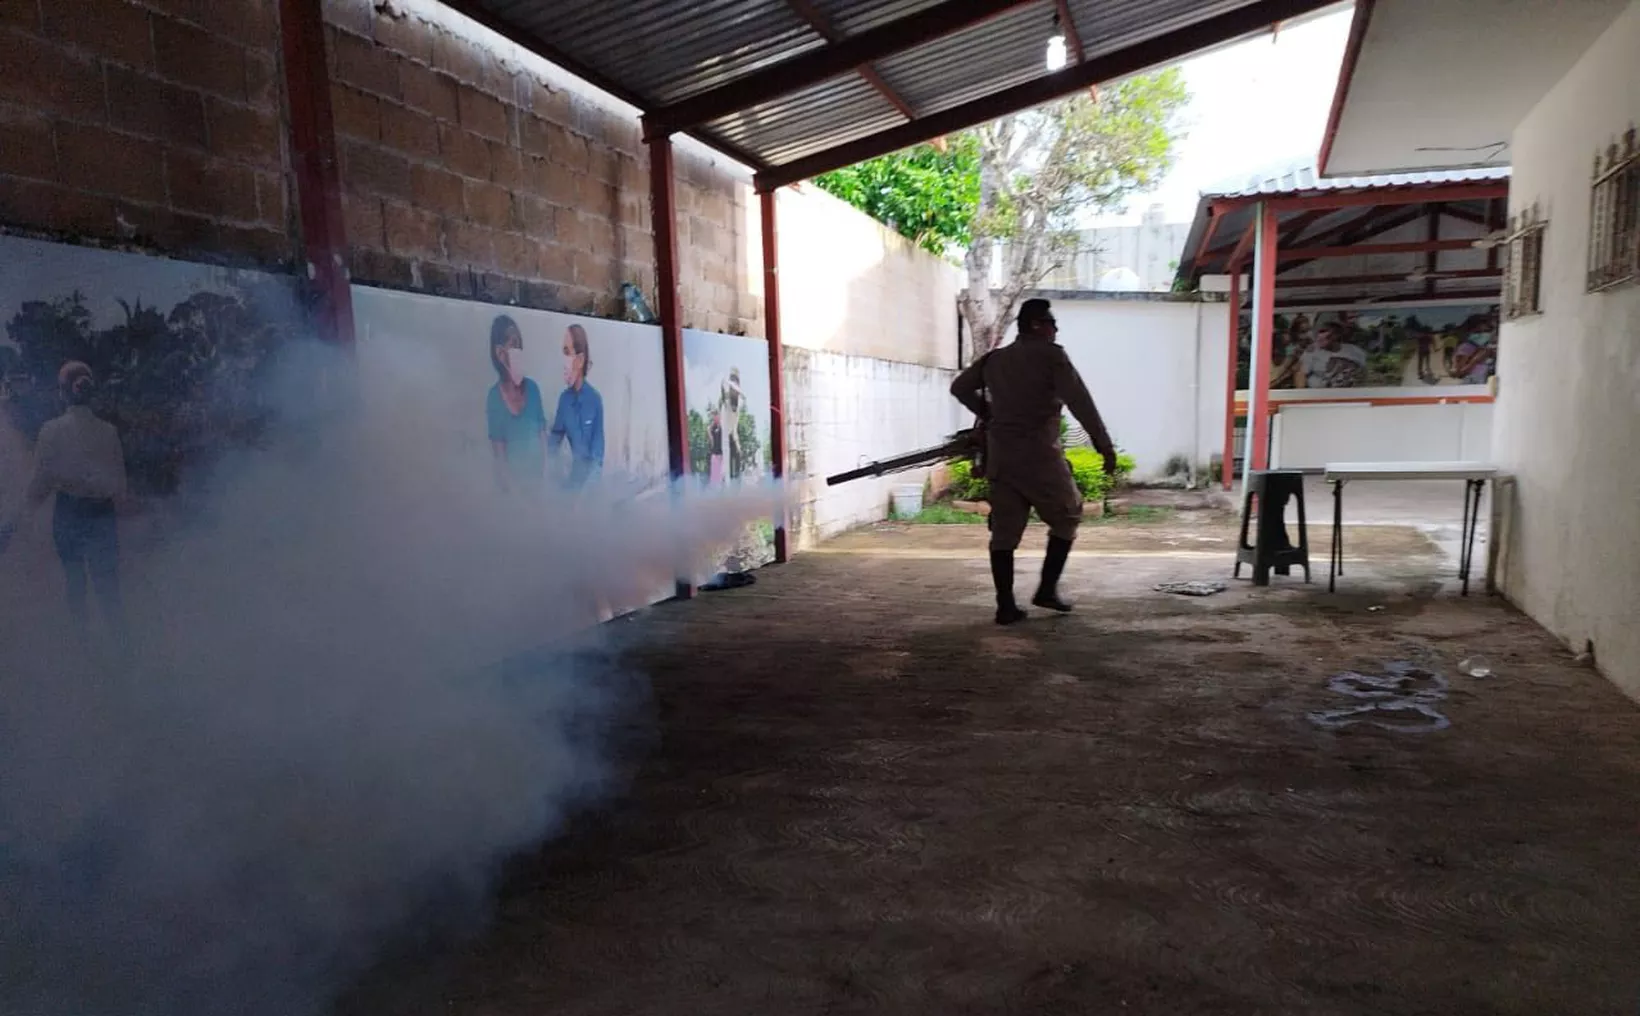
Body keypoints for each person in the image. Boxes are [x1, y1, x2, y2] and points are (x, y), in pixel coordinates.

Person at [950, 299, 1117, 626]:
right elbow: (1080, 402)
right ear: (1038, 325)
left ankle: (1005, 606)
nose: (1056, 330)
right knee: (1068, 514)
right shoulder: (1051, 357)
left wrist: (988, 412)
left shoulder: (994, 360)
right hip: (1039, 457)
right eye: (1052, 324)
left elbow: (960, 388)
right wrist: (1104, 445)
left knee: (1003, 534)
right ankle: (1046, 589)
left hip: (1002, 458)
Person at [0, 361, 128, 626]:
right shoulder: (109, 431)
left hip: (69, 513)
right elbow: (119, 483)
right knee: (107, 585)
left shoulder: (51, 431)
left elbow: (39, 485)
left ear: (63, 392)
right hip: (102, 513)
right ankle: (122, 646)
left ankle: (85, 646)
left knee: (76, 582)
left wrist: (14, 522)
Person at [486, 315, 547, 492]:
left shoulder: (533, 390)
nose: (518, 350)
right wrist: (519, 502)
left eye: (520, 345)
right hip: (510, 494)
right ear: (500, 353)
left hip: (537, 489)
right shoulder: (494, 398)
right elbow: (500, 459)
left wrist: (542, 486)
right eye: (513, 344)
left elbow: (543, 442)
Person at [549, 323, 605, 488]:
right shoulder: (564, 400)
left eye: (567, 352)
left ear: (580, 360)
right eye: (563, 352)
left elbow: (597, 456)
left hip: (590, 489)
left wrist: (584, 498)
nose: (564, 360)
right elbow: (554, 440)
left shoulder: (594, 400)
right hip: (572, 482)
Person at [1298, 321, 1368, 389]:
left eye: (1323, 331)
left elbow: (1363, 374)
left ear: (1337, 335)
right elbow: (1301, 374)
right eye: (1318, 332)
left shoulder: (1355, 351)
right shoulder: (1311, 351)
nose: (1319, 336)